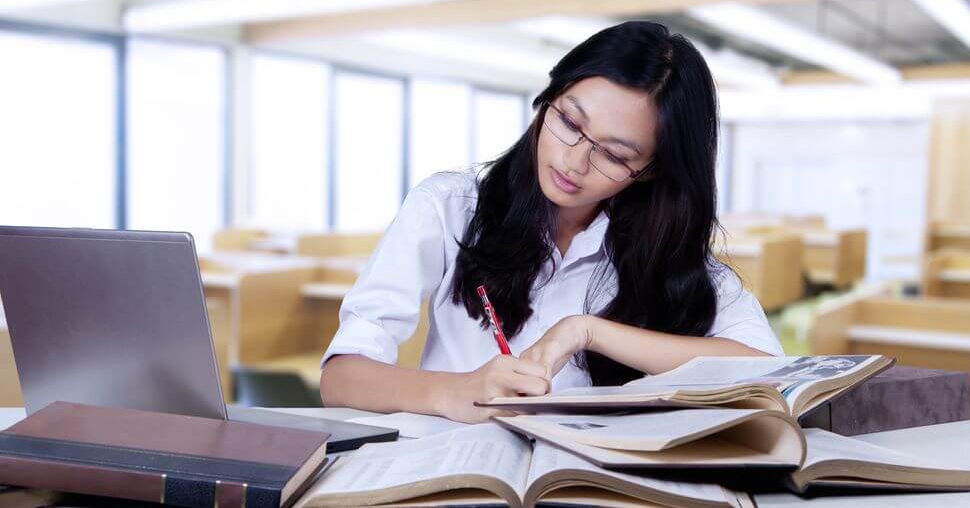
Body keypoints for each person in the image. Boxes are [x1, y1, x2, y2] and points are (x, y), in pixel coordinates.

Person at [320, 21, 783, 423]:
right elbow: (341, 378)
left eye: (614, 154)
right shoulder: (447, 208)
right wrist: (451, 391)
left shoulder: (670, 256)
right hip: (461, 476)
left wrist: (588, 331)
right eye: (568, 121)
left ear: (653, 169)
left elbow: (767, 370)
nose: (574, 162)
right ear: (548, 98)